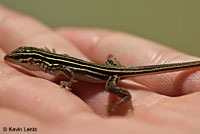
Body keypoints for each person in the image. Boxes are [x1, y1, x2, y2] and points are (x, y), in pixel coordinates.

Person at [0, 5, 199, 134]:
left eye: (19, 59)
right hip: (107, 69)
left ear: (33, 60)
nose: (15, 60)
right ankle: (113, 66)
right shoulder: (50, 63)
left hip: (107, 75)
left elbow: (69, 72)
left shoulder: (53, 65)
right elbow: (66, 66)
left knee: (111, 88)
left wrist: (68, 84)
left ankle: (126, 97)